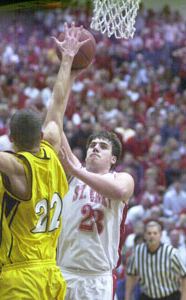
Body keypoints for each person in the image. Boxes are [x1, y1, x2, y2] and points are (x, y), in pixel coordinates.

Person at [0, 22, 90, 300]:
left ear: (11, 139)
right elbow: (57, 104)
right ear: (40, 133)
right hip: (51, 273)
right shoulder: (51, 143)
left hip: (19, 278)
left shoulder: (16, 167)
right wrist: (69, 63)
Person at [57, 80, 134, 300]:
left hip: (98, 278)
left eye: (103, 146)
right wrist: (70, 73)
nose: (95, 148)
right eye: (92, 145)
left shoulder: (122, 178)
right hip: (65, 271)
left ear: (113, 159)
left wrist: (77, 171)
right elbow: (54, 124)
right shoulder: (74, 171)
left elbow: (119, 193)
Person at [125, 220, 186, 300]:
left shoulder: (170, 252)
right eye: (149, 233)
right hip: (147, 296)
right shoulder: (137, 252)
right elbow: (131, 275)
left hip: (170, 296)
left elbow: (184, 276)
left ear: (160, 235)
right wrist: (127, 297)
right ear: (145, 236)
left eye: (155, 233)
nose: (152, 236)